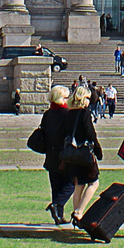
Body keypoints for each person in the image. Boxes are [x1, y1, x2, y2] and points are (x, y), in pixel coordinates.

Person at [64, 86, 105, 226]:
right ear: (83, 99)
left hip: (73, 154)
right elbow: (91, 134)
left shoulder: (69, 113)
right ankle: (79, 212)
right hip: (84, 153)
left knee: (79, 185)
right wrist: (98, 149)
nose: (89, 101)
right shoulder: (84, 113)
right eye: (87, 98)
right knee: (94, 183)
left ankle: (77, 214)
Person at [36, 85, 75, 223]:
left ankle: (59, 216)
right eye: (66, 97)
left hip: (51, 154)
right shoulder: (68, 114)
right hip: (64, 155)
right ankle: (56, 205)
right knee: (71, 183)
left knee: (56, 186)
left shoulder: (48, 114)